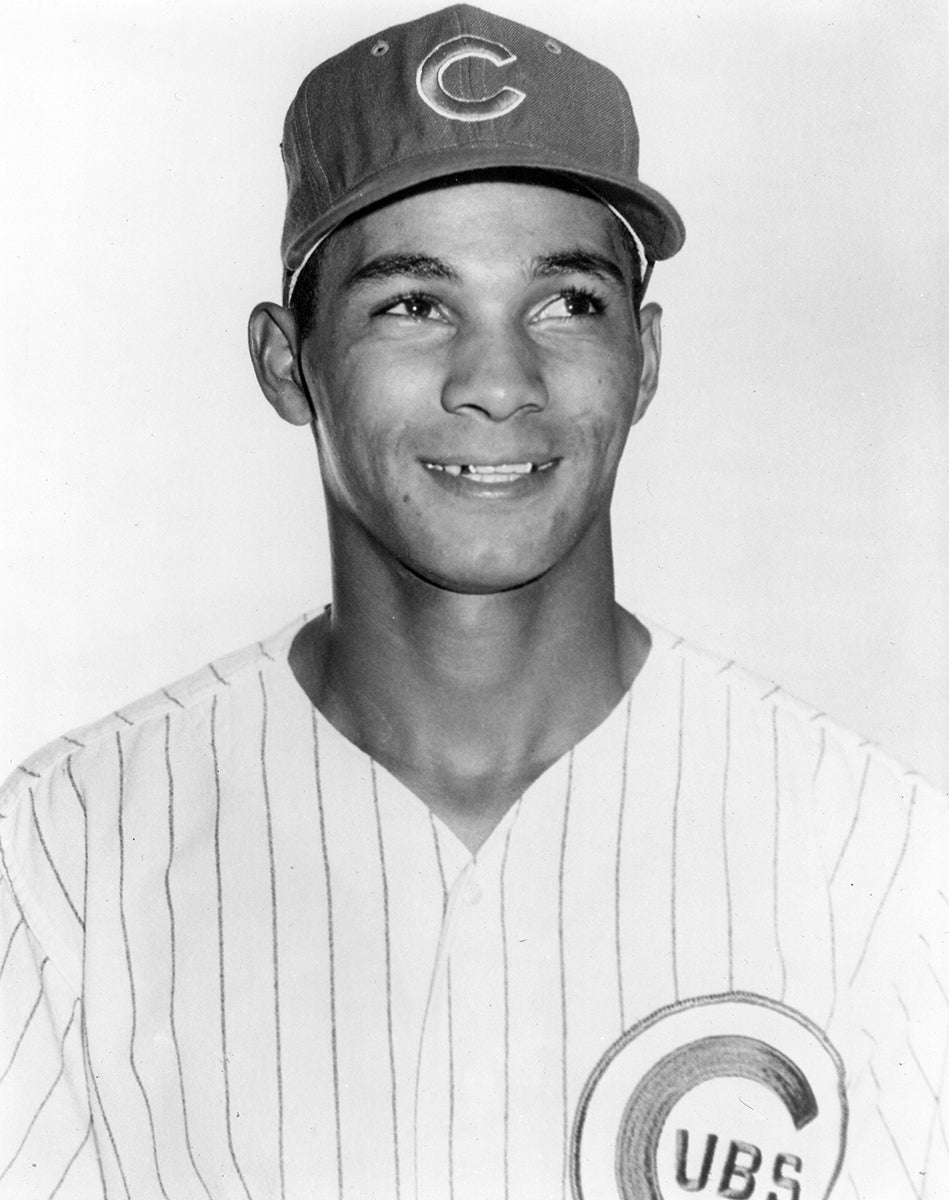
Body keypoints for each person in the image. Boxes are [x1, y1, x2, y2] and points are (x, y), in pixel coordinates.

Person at [0, 4, 945, 1197]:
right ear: (287, 363)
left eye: (567, 304)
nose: (499, 381)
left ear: (644, 360)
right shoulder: (68, 854)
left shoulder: (872, 857)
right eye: (413, 304)